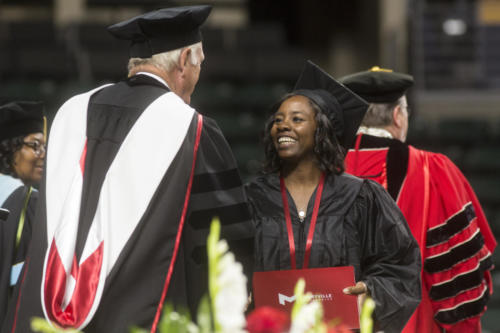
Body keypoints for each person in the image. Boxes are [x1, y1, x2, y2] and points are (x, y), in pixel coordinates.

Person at [2, 6, 254, 333]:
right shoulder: (191, 129)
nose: (199, 73)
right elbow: (220, 241)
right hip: (143, 317)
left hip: (44, 315)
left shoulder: (68, 114)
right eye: (199, 63)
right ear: (184, 61)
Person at [246, 61, 421, 333]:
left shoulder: (362, 197)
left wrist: (370, 291)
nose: (283, 126)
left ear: (322, 131)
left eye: (297, 119)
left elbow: (401, 264)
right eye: (278, 120)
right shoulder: (252, 198)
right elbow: (225, 264)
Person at [341, 67, 497, 333]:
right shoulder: (431, 171)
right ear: (398, 116)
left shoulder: (316, 171)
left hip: (330, 323)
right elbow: (458, 283)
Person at [0, 101, 45, 327]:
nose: (43, 154)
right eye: (34, 145)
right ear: (9, 148)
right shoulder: (30, 204)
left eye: (45, 146)